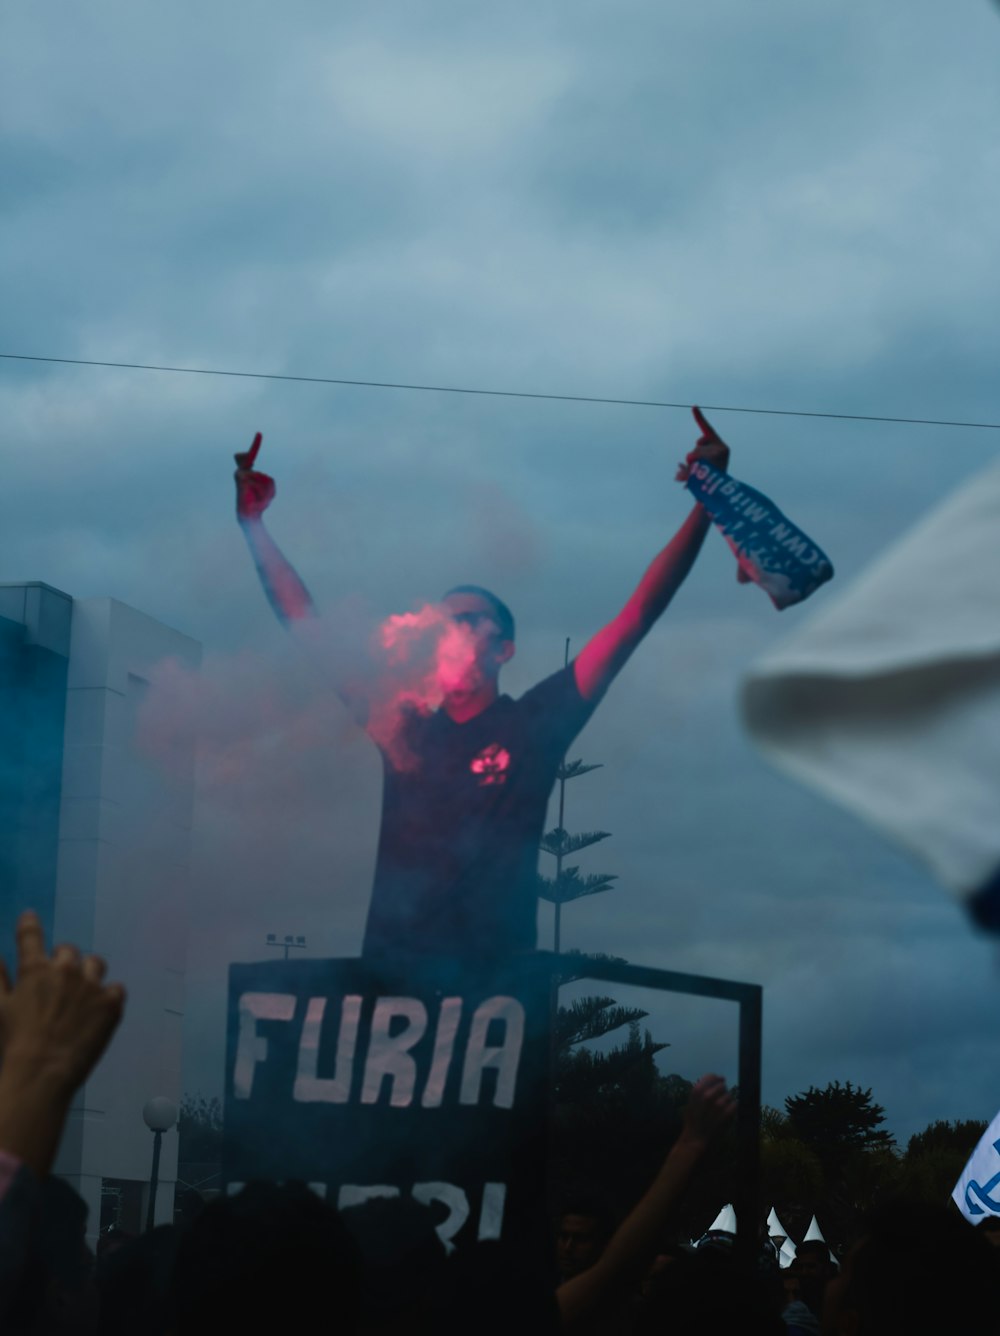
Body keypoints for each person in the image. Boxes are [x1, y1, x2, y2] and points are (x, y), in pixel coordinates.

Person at [234, 409, 730, 958]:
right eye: (446, 620)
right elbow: (308, 626)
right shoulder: (404, 726)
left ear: (503, 648)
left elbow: (636, 615)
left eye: (468, 620)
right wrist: (254, 527)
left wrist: (708, 504)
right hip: (392, 978)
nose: (453, 630)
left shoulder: (534, 723)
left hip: (495, 991)